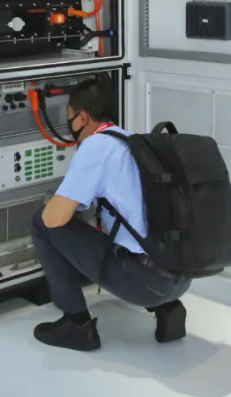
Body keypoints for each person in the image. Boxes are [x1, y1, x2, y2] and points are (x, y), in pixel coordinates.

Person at [30, 79, 191, 352]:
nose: (69, 125)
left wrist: (58, 201)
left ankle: (76, 325)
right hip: (178, 275)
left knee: (41, 222)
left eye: (69, 117)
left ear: (83, 118)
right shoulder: (131, 140)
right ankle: (168, 308)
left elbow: (53, 219)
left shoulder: (96, 146)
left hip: (145, 284)